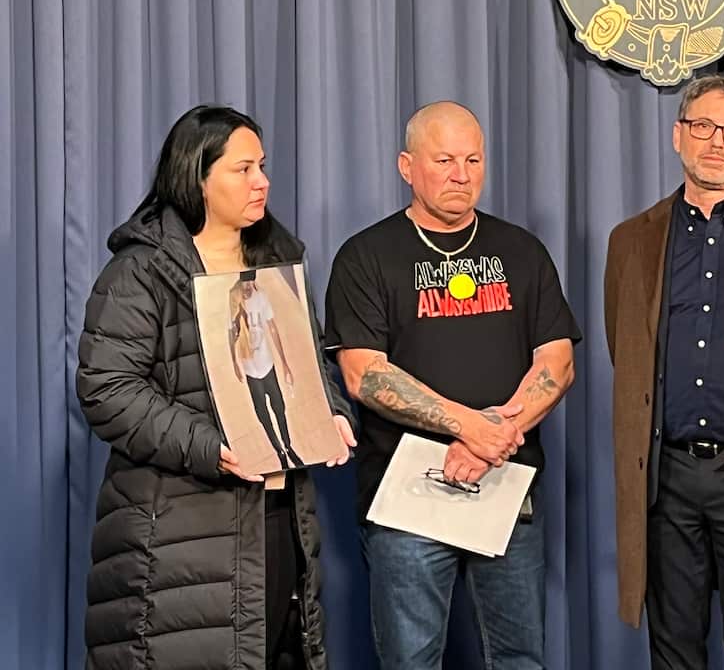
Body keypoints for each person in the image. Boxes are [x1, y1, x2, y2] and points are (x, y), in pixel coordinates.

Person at [76, 105, 357, 670]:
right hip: (180, 537)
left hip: (279, 521)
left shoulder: (278, 264)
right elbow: (107, 388)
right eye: (244, 169)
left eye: (264, 167)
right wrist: (211, 447)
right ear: (197, 178)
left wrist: (332, 410)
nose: (264, 182)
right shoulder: (140, 272)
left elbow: (308, 364)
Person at [325, 101, 580, 670]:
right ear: (406, 166)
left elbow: (558, 362)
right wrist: (470, 427)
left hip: (506, 486)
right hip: (406, 496)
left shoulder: (522, 251)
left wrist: (498, 434)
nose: (461, 174)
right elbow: (365, 373)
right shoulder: (366, 256)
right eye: (444, 160)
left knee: (520, 658)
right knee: (411, 661)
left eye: (473, 159)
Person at [604, 75, 724, 670]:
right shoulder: (632, 240)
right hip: (670, 476)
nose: (718, 142)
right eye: (704, 127)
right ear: (678, 136)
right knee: (674, 648)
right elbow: (626, 351)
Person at [229, 276, 304, 470]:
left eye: (249, 283)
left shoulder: (261, 297)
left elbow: (272, 328)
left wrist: (285, 363)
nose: (246, 287)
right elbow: (231, 332)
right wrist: (234, 362)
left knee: (279, 407)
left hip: (267, 365)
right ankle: (279, 451)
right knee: (262, 413)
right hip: (250, 369)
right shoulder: (234, 300)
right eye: (243, 283)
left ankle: (288, 446)